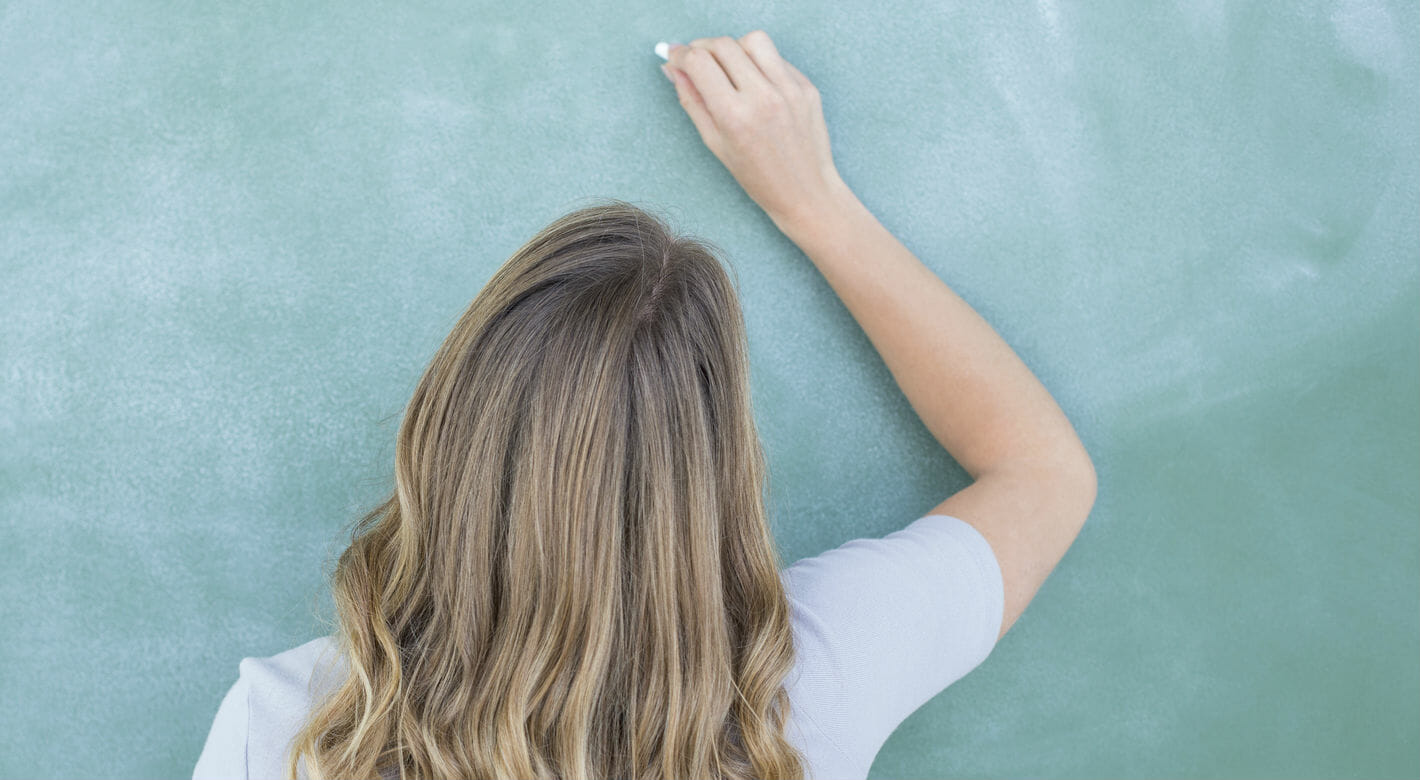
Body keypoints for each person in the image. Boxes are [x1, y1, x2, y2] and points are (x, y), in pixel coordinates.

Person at [193, 30, 1096, 780]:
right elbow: (1042, 471)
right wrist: (814, 202)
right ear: (721, 480)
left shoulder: (292, 732)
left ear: (442, 440)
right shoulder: (814, 685)